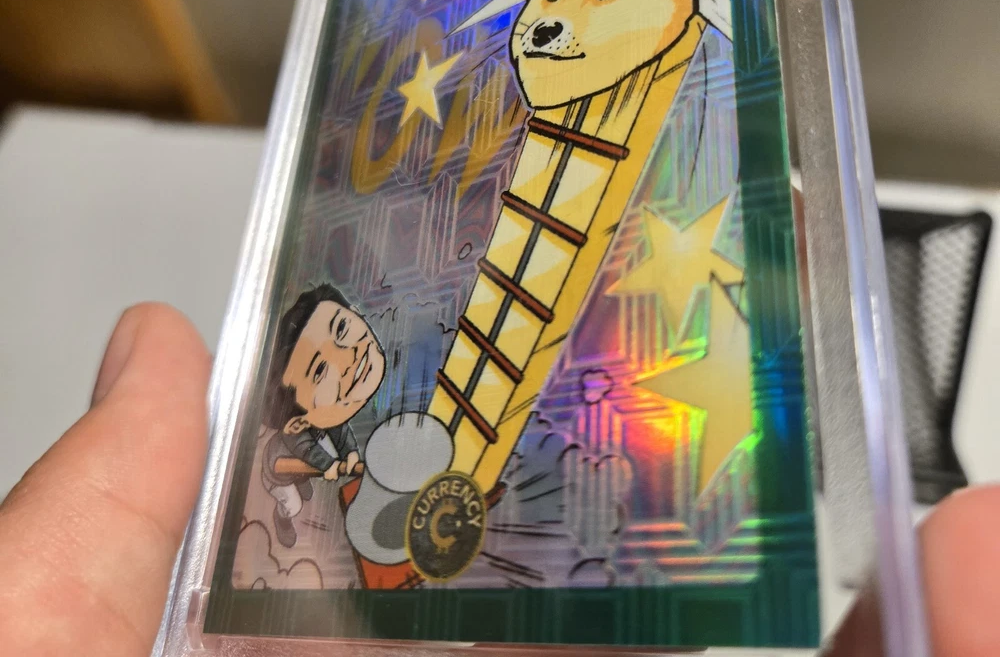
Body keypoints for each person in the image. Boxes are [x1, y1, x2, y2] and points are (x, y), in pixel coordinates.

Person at [0, 303, 998, 655]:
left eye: (343, 332)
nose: (349, 355)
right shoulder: (296, 462)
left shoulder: (399, 418)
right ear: (294, 406)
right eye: (320, 364)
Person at [262, 284, 385, 547]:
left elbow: (339, 429)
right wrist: (329, 465)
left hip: (303, 465)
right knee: (294, 504)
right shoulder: (295, 434)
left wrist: (351, 453)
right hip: (278, 472)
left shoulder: (323, 414)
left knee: (307, 482)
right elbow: (306, 449)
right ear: (297, 422)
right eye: (319, 371)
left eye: (341, 328)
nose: (349, 359)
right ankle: (282, 517)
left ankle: (302, 483)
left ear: (354, 313)